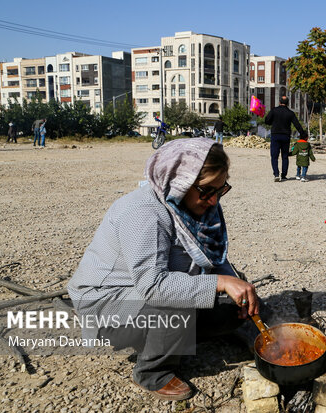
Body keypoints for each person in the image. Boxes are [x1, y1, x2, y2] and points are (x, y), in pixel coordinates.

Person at [68, 138, 260, 401]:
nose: (214, 200)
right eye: (206, 191)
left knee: (236, 302)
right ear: (179, 181)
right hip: (108, 305)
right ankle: (152, 372)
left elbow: (214, 259)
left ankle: (172, 338)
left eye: (221, 189)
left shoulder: (196, 204)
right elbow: (153, 287)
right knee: (178, 303)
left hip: (147, 295)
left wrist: (234, 284)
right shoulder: (145, 213)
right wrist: (221, 283)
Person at [264, 96, 306, 182]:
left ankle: (276, 174)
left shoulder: (274, 110)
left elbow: (267, 121)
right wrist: (303, 134)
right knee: (285, 156)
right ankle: (283, 175)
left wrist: (272, 120)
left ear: (279, 102)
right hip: (286, 136)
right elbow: (297, 125)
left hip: (275, 135)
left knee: (274, 156)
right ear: (288, 103)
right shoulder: (290, 113)